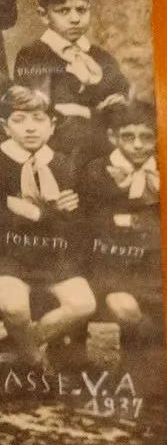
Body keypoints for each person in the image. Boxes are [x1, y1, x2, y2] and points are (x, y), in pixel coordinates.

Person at [0, 85, 89, 367]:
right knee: (13, 306)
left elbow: (74, 222)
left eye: (38, 119)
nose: (30, 128)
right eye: (19, 119)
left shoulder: (61, 163)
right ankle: (36, 362)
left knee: (83, 304)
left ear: (51, 126)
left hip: (53, 254)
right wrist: (47, 213)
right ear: (4, 127)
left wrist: (67, 212)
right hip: (8, 256)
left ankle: (21, 347)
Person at [12, 0, 130, 160]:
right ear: (44, 16)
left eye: (81, 10)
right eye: (63, 11)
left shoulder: (101, 57)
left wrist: (83, 111)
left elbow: (122, 106)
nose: (75, 19)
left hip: (105, 152)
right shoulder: (33, 56)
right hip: (58, 155)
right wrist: (99, 109)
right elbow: (46, 110)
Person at [75, 99, 161, 344]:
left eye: (146, 137)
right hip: (111, 268)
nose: (137, 145)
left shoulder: (164, 170)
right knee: (123, 306)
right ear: (113, 137)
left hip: (153, 268)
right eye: (128, 136)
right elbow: (88, 226)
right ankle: (145, 344)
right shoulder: (97, 172)